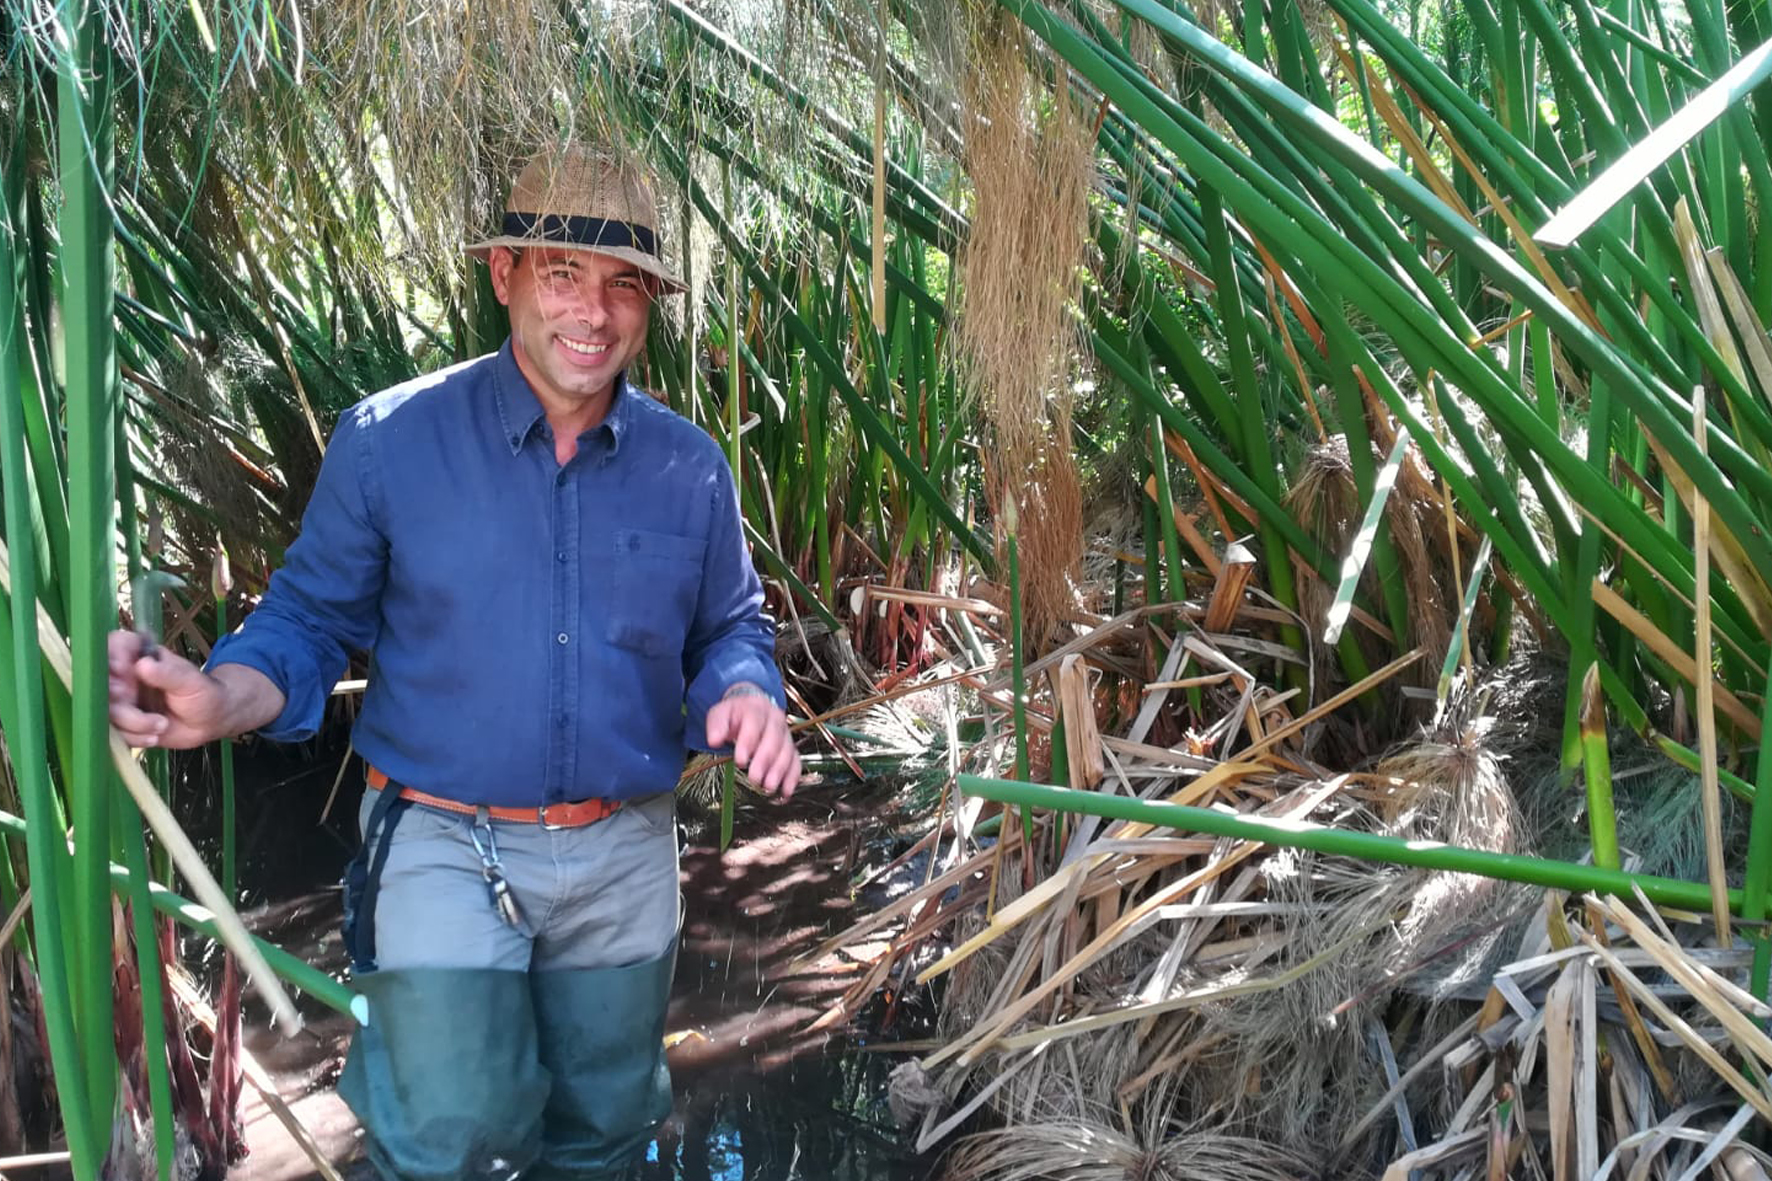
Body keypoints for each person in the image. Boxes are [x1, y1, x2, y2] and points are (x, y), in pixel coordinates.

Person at [108, 145, 801, 1181]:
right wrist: (219, 699)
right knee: (446, 1139)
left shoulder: (688, 468)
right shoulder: (389, 442)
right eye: (562, 272)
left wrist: (746, 688)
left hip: (623, 849)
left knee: (605, 1131)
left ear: (650, 303)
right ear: (503, 273)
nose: (594, 312)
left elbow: (730, 626)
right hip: (443, 840)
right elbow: (306, 621)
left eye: (624, 284)